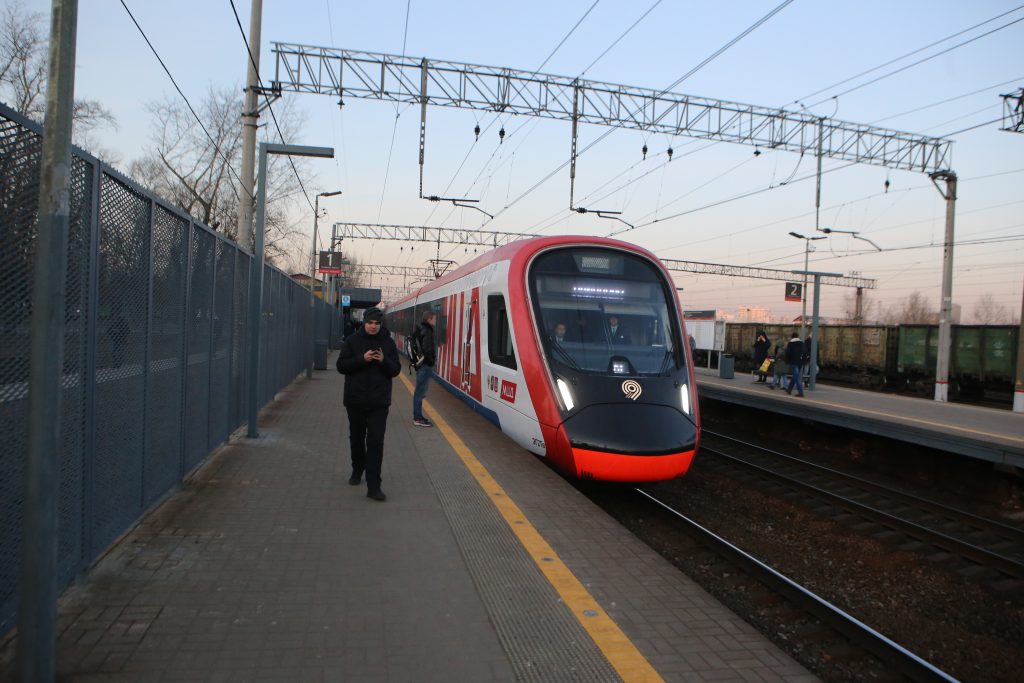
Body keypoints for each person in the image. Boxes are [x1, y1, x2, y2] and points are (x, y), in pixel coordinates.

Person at [336, 307, 401, 501]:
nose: (373, 326)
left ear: (381, 324)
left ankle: (374, 487)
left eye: (377, 323)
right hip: (355, 400)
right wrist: (361, 359)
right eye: (370, 322)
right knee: (356, 438)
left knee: (375, 442)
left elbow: (396, 370)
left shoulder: (388, 343)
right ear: (364, 322)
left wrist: (383, 360)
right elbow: (341, 366)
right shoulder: (352, 341)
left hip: (379, 402)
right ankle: (357, 469)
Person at [412, 310, 437, 427]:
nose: (436, 321)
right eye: (434, 319)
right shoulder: (427, 331)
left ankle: (418, 416)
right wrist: (431, 361)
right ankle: (417, 418)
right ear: (429, 319)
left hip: (421, 365)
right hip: (425, 366)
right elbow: (427, 350)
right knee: (419, 393)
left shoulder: (421, 329)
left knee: (419, 392)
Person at [784, 331, 805, 397]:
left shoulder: (791, 343)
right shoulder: (801, 343)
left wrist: (787, 361)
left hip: (793, 362)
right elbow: (805, 352)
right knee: (795, 376)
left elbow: (788, 353)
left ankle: (800, 392)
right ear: (797, 336)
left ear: (792, 337)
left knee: (797, 377)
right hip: (800, 362)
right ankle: (789, 389)